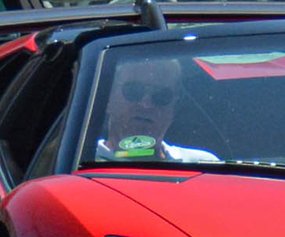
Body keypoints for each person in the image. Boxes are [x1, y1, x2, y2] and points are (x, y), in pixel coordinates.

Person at [92, 55, 220, 164]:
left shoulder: (203, 165)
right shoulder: (78, 161)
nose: (146, 104)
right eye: (133, 91)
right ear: (108, 99)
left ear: (174, 108)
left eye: (161, 97)